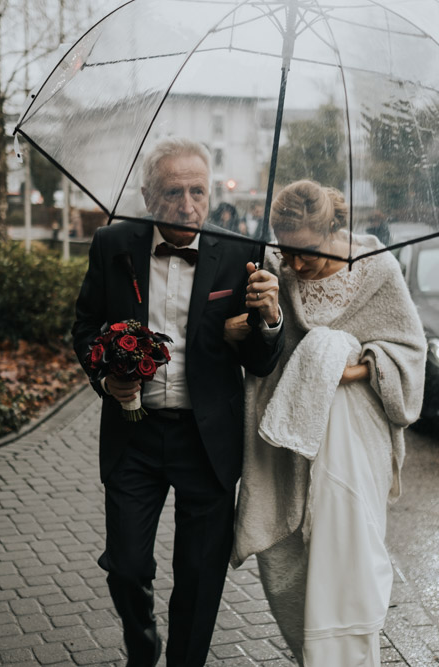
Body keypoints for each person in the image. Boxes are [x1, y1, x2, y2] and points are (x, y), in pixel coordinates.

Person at [71, 138, 285, 667]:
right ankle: (141, 641)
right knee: (125, 564)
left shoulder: (242, 254)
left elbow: (260, 361)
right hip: (133, 436)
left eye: (198, 191)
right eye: (173, 192)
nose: (188, 205)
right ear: (148, 195)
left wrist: (269, 318)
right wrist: (105, 377)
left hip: (207, 440)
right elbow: (84, 327)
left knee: (198, 577)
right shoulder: (112, 244)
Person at [227, 180, 427, 665]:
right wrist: (262, 317)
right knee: (294, 562)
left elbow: (410, 351)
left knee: (349, 548)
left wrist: (353, 368)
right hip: (292, 444)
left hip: (357, 437)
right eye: (287, 252)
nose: (296, 264)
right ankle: (310, 654)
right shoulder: (273, 272)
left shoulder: (378, 270)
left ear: (333, 229)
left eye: (307, 253)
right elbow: (267, 360)